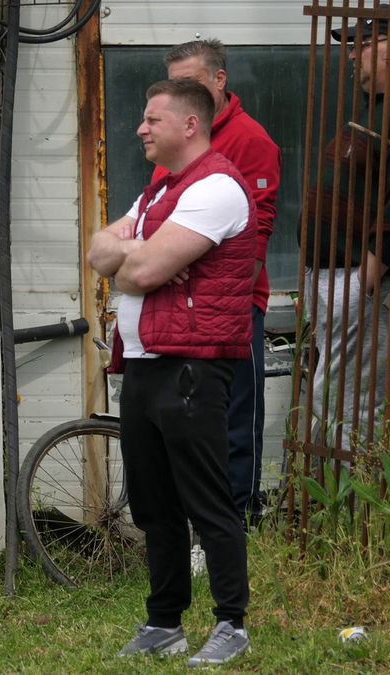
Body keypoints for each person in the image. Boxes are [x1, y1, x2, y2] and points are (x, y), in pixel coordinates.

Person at [87, 79, 256, 667]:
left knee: (209, 503)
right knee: (154, 506)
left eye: (152, 119)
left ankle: (232, 623)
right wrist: (135, 257)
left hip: (192, 367)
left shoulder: (215, 188)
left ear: (190, 125)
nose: (140, 128)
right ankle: (165, 623)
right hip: (141, 364)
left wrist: (139, 257)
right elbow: (98, 251)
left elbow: (145, 270)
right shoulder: (161, 188)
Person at [156, 39, 281, 526]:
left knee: (235, 414)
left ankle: (237, 524)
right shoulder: (178, 135)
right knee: (190, 416)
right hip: (179, 300)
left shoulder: (251, 140)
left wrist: (230, 293)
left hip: (232, 303)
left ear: (219, 80)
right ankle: (195, 527)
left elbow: (258, 233)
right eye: (174, 84)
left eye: (189, 82)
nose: (181, 92)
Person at [306, 10, 390, 452]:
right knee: (329, 397)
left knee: (345, 404)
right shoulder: (376, 109)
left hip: (356, 279)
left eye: (360, 44)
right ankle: (340, 506)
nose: (352, 56)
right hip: (334, 279)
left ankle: (353, 507)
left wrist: (366, 281)